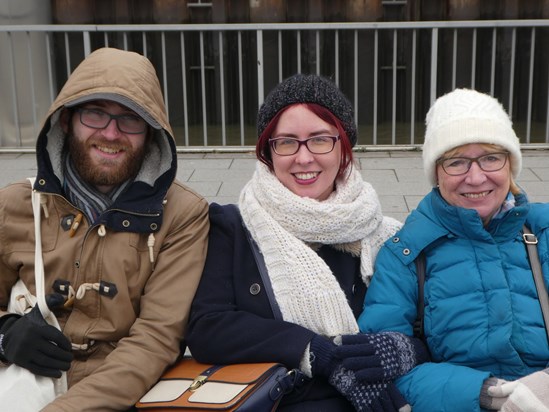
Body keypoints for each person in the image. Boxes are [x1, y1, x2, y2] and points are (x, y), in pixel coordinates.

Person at [186, 73, 429, 411]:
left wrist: (399, 352)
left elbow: (431, 330)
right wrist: (312, 350)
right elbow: (207, 328)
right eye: (286, 142)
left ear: (343, 146)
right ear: (268, 152)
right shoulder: (233, 227)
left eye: (319, 139)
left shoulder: (386, 235)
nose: (303, 158)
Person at [0, 47, 209, 410]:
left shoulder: (183, 215)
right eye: (95, 114)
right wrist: (4, 335)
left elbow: (156, 339)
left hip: (121, 397)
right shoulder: (14, 204)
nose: (111, 133)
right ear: (66, 120)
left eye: (131, 120)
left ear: (151, 133)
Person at [358, 88, 549, 411]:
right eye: (456, 162)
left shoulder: (543, 231)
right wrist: (485, 393)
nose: (475, 177)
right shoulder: (406, 253)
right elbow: (383, 368)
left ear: (510, 164)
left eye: (491, 157)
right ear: (436, 172)